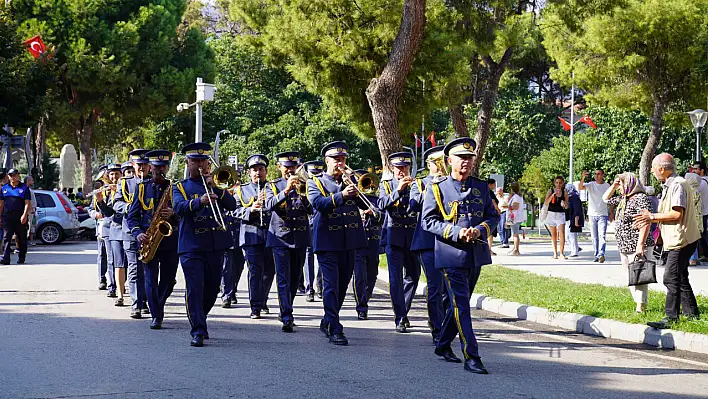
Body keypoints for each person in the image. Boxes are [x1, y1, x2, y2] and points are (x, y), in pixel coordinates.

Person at [422, 137, 498, 374]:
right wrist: (456, 232)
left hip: (476, 254)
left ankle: (443, 344)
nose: (466, 162)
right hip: (451, 254)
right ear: (449, 160)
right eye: (461, 157)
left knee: (459, 305)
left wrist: (480, 230)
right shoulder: (437, 188)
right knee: (462, 305)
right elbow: (427, 221)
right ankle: (471, 355)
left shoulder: (481, 186)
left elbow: (493, 217)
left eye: (469, 158)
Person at [173, 142, 237, 347]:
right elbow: (178, 208)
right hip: (191, 245)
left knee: (212, 288)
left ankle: (200, 315)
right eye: (196, 161)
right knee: (194, 287)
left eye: (204, 161)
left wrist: (216, 187)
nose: (201, 165)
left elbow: (232, 205)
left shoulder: (216, 183)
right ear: (188, 163)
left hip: (215, 244)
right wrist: (198, 202)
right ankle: (198, 329)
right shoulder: (180, 187)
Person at [307, 141, 368, 346]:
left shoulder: (351, 182)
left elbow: (366, 204)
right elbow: (318, 204)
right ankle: (335, 327)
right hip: (327, 241)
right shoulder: (315, 182)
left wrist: (356, 187)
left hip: (350, 240)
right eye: (335, 160)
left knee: (342, 286)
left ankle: (327, 319)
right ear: (327, 161)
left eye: (342, 159)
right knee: (331, 285)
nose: (340, 163)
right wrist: (342, 195)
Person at [634, 153, 701, 329]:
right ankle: (692, 313)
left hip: (682, 240)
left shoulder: (677, 185)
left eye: (654, 169)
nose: (653, 172)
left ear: (662, 169)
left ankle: (671, 317)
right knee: (680, 276)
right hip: (680, 238)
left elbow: (677, 214)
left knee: (670, 277)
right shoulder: (671, 184)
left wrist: (652, 217)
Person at [126, 150, 179, 330]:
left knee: (169, 279)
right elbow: (131, 217)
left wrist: (174, 213)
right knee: (149, 279)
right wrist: (138, 233)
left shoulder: (175, 188)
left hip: (170, 241)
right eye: (156, 167)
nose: (159, 170)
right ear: (150, 167)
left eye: (163, 167)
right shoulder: (141, 188)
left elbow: (184, 212)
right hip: (148, 240)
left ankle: (159, 304)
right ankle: (156, 315)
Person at [264, 151, 313, 332]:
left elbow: (311, 210)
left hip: (300, 237)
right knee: (283, 278)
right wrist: (286, 191)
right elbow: (269, 206)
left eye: (293, 167)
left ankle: (287, 307)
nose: (290, 171)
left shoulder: (306, 185)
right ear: (279, 168)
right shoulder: (273, 186)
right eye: (286, 168)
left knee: (294, 278)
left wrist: (302, 193)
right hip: (280, 238)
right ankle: (287, 315)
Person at [379, 152, 421, 333]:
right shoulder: (386, 185)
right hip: (393, 236)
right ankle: (401, 317)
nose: (402, 171)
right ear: (392, 169)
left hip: (412, 236)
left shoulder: (416, 185)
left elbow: (418, 205)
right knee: (395, 279)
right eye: (398, 168)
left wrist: (413, 190)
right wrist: (398, 191)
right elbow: (381, 205)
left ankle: (403, 309)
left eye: (404, 167)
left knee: (413, 275)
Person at [410, 145, 447, 344]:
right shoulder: (420, 183)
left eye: (442, 162)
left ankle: (447, 322)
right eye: (436, 163)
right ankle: (437, 327)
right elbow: (413, 205)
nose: (439, 167)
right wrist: (431, 188)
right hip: (427, 242)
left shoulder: (452, 182)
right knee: (435, 286)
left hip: (448, 242)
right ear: (429, 165)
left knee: (448, 289)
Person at [602, 172, 655, 313]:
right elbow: (605, 199)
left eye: (621, 184)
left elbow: (645, 223)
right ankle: (638, 302)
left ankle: (641, 306)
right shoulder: (624, 198)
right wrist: (614, 185)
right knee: (628, 276)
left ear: (629, 184)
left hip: (637, 243)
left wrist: (640, 244)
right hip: (624, 244)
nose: (619, 187)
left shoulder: (640, 198)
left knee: (639, 275)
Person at [235, 154, 274, 319]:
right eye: (254, 170)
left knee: (270, 271)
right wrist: (251, 209)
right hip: (251, 235)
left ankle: (262, 299)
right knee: (255, 271)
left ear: (266, 171)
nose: (258, 173)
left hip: (272, 235)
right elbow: (233, 211)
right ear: (249, 173)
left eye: (261, 169)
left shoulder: (273, 188)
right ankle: (255, 306)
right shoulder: (242, 190)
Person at [113, 152, 150, 319]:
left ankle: (146, 300)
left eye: (144, 164)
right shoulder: (125, 183)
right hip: (130, 231)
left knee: (147, 269)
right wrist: (128, 207)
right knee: (134, 268)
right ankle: (136, 304)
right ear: (133, 166)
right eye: (138, 164)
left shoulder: (154, 182)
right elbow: (117, 203)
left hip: (151, 231)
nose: (141, 167)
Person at [351, 168, 382, 320]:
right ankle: (361, 307)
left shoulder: (375, 200)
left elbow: (382, 216)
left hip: (373, 240)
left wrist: (373, 211)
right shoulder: (351, 200)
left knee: (372, 275)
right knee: (360, 276)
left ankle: (365, 298)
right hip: (357, 241)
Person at [96, 164, 126, 305]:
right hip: (109, 228)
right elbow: (93, 207)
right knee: (111, 259)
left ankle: (124, 287)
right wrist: (96, 210)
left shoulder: (125, 188)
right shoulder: (105, 190)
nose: (114, 177)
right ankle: (113, 287)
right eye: (111, 174)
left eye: (117, 174)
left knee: (126, 262)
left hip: (124, 227)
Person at [302, 160, 325, 302]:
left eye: (318, 173)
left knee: (322, 254)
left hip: (320, 222)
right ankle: (309, 288)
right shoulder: (303, 184)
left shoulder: (323, 184)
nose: (315, 176)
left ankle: (320, 286)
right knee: (308, 256)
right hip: (307, 223)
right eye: (312, 173)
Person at [578, 169, 612, 263]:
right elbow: (580, 187)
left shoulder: (607, 186)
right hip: (592, 214)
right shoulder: (591, 184)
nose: (596, 176)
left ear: (603, 175)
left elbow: (610, 199)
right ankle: (596, 254)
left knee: (602, 235)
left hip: (603, 214)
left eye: (598, 174)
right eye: (595, 174)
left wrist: (612, 213)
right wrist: (583, 177)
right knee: (594, 237)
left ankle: (601, 254)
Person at [88, 172, 114, 292]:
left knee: (112, 256)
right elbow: (91, 209)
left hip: (112, 226)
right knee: (102, 254)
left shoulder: (116, 191)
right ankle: (102, 279)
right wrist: (95, 214)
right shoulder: (99, 192)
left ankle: (114, 283)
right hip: (101, 226)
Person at [0, 169, 31, 264]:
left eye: (14, 175)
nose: (13, 177)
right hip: (7, 216)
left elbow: (27, 203)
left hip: (20, 216)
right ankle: (5, 258)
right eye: (11, 175)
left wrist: (24, 215)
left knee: (21, 238)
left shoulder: (24, 188)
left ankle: (22, 257)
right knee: (6, 237)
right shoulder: (4, 188)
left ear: (18, 176)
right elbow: (1, 203)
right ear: (8, 177)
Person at [221, 198, 244, 308]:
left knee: (239, 266)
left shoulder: (240, 193)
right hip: (226, 235)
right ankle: (227, 295)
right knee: (226, 267)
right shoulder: (219, 195)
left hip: (240, 235)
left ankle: (232, 290)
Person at [544, 176, 568, 259]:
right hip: (551, 214)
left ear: (562, 183)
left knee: (562, 233)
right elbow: (546, 202)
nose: (558, 184)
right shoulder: (550, 191)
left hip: (560, 214)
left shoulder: (564, 192)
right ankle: (555, 253)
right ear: (554, 183)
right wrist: (552, 196)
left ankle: (561, 253)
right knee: (553, 234)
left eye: (560, 183)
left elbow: (566, 206)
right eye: (557, 182)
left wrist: (564, 203)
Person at [685, 173, 705, 266]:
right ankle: (694, 258)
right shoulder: (696, 190)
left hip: (692, 219)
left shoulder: (691, 191)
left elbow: (689, 205)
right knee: (694, 239)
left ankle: (692, 259)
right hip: (698, 218)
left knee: (691, 239)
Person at [691, 161, 708, 261]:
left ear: (702, 170)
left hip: (701, 213)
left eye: (695, 169)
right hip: (705, 212)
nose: (693, 171)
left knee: (699, 235)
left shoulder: (699, 183)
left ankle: (699, 256)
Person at [507, 182, 525, 256]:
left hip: (515, 217)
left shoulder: (516, 197)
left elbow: (516, 206)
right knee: (515, 233)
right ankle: (515, 248)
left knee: (515, 234)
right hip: (516, 217)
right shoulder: (517, 196)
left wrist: (508, 207)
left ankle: (516, 250)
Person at [565, 183, 583, 257]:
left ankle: (574, 251)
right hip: (568, 219)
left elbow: (576, 209)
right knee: (567, 236)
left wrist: (576, 220)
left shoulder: (574, 197)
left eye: (566, 189)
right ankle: (575, 248)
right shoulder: (569, 196)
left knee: (572, 236)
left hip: (573, 219)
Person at [487, 179, 500, 256]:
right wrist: (497, 210)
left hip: (487, 213)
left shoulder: (484, 191)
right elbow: (493, 201)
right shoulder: (490, 192)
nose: (494, 186)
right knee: (491, 233)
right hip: (491, 213)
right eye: (494, 184)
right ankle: (489, 249)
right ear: (490, 184)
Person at [24, 176, 37, 246]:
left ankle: (28, 241)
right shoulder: (26, 190)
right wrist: (31, 209)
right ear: (28, 181)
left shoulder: (29, 189)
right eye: (32, 180)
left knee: (31, 227)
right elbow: (28, 201)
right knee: (27, 227)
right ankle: (24, 242)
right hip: (29, 210)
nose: (33, 182)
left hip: (32, 210)